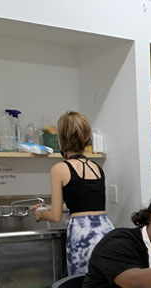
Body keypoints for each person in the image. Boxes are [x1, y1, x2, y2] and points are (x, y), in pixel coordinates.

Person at [33, 111, 114, 276]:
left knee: (83, 287)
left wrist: (40, 213)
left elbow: (55, 217)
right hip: (106, 231)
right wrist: (46, 206)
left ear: (61, 139)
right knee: (105, 286)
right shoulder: (96, 168)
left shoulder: (59, 169)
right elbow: (83, 206)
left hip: (82, 236)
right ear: (86, 138)